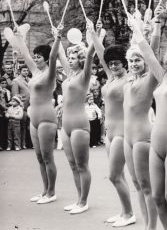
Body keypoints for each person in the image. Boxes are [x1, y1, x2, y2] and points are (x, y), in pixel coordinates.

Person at [132, 1, 167, 230]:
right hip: (156, 144)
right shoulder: (163, 77)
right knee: (157, 197)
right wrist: (141, 27)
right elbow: (146, 50)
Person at [90, 21, 135, 227]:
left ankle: (129, 214)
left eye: (117, 62)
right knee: (119, 175)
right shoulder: (110, 77)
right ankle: (125, 211)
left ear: (125, 63)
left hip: (122, 132)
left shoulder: (130, 79)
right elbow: (101, 54)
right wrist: (95, 32)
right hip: (108, 132)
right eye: (111, 63)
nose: (114, 66)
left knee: (114, 175)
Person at [123, 6, 163, 230]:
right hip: (128, 138)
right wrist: (136, 30)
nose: (134, 64)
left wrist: (154, 26)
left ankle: (152, 228)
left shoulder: (150, 80)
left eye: (138, 60)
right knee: (137, 185)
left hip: (142, 138)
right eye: (131, 61)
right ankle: (147, 223)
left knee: (146, 186)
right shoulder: (128, 82)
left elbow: (152, 53)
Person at [13, 23, 63, 204]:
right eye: (36, 56)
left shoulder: (50, 74)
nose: (36, 59)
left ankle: (52, 192)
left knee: (48, 157)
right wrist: (19, 38)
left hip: (46, 118)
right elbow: (25, 54)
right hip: (33, 118)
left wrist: (57, 37)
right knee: (40, 157)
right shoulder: (34, 72)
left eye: (39, 56)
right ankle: (44, 191)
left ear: (46, 58)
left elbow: (53, 54)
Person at [58, 20, 95, 214]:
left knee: (82, 165)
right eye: (70, 57)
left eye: (74, 57)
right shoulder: (68, 75)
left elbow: (90, 54)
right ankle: (78, 199)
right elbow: (59, 53)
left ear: (80, 60)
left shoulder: (83, 76)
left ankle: (84, 201)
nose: (70, 59)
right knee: (73, 165)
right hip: (65, 125)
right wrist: (58, 35)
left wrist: (91, 35)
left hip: (80, 125)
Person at [12, 64, 30, 149]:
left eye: (27, 70)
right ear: (20, 71)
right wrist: (20, 105)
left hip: (31, 106)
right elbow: (15, 95)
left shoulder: (30, 80)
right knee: (22, 126)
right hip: (22, 107)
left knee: (30, 126)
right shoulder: (16, 80)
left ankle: (29, 144)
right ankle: (22, 144)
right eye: (24, 71)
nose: (26, 72)